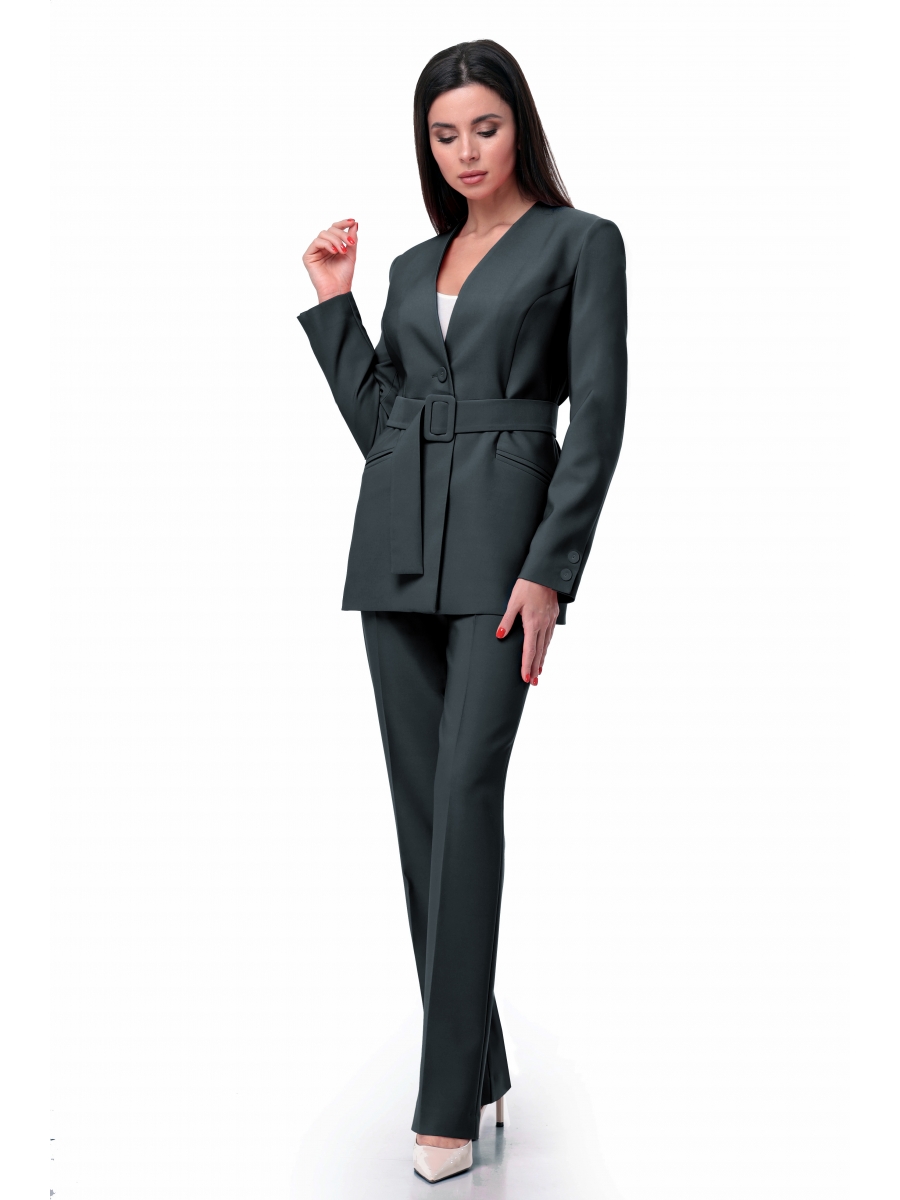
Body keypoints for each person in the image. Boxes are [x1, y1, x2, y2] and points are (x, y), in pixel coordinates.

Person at [297, 38, 627, 1184]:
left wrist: (551, 569)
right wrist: (336, 309)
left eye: (484, 127)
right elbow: (385, 426)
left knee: (467, 793)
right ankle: (477, 1063)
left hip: (503, 555)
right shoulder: (406, 266)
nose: (466, 151)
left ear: (518, 124)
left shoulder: (581, 244)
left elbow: (599, 418)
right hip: (393, 553)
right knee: (422, 818)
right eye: (444, 135)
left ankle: (443, 1102)